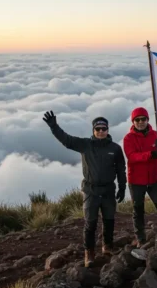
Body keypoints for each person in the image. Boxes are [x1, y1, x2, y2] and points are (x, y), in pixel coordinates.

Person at [42, 111, 126, 267]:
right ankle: (90, 253)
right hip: (90, 190)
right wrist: (54, 126)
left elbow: (121, 169)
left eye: (103, 129)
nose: (101, 132)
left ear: (108, 130)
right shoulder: (85, 144)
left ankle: (107, 247)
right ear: (93, 130)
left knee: (109, 220)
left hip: (108, 190)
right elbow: (66, 140)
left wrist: (122, 187)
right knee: (90, 223)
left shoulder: (115, 148)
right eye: (98, 129)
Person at [122, 107, 157, 246]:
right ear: (133, 121)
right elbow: (131, 157)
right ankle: (140, 239)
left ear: (147, 119)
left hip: (154, 178)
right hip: (136, 180)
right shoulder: (129, 138)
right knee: (138, 210)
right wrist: (151, 154)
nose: (140, 122)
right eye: (137, 119)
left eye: (143, 119)